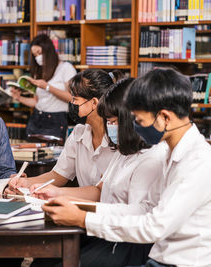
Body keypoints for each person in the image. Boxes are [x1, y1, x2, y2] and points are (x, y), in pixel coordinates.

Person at [42, 68, 211, 267]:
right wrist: (80, 210)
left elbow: (154, 226)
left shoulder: (196, 162)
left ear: (165, 117)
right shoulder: (169, 153)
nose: (135, 127)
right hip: (158, 258)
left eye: (139, 121)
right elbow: (144, 209)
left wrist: (83, 219)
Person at [31, 78, 167, 267]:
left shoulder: (152, 157)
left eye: (112, 121)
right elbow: (100, 192)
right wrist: (59, 195)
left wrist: (81, 215)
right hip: (105, 231)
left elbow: (137, 217)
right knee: (43, 258)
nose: (109, 127)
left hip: (126, 242)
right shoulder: (124, 151)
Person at [6, 69, 115, 195]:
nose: (71, 104)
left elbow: (100, 192)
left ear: (94, 103)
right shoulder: (78, 133)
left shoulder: (117, 137)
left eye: (75, 99)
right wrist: (26, 183)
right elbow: (59, 175)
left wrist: (57, 193)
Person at [10, 34, 77, 140]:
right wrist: (19, 98)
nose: (37, 58)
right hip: (36, 118)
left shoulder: (66, 68)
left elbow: (72, 98)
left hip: (56, 119)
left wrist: (47, 87)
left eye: (39, 53)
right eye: (34, 55)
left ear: (48, 51)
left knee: (53, 154)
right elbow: (37, 102)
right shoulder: (39, 72)